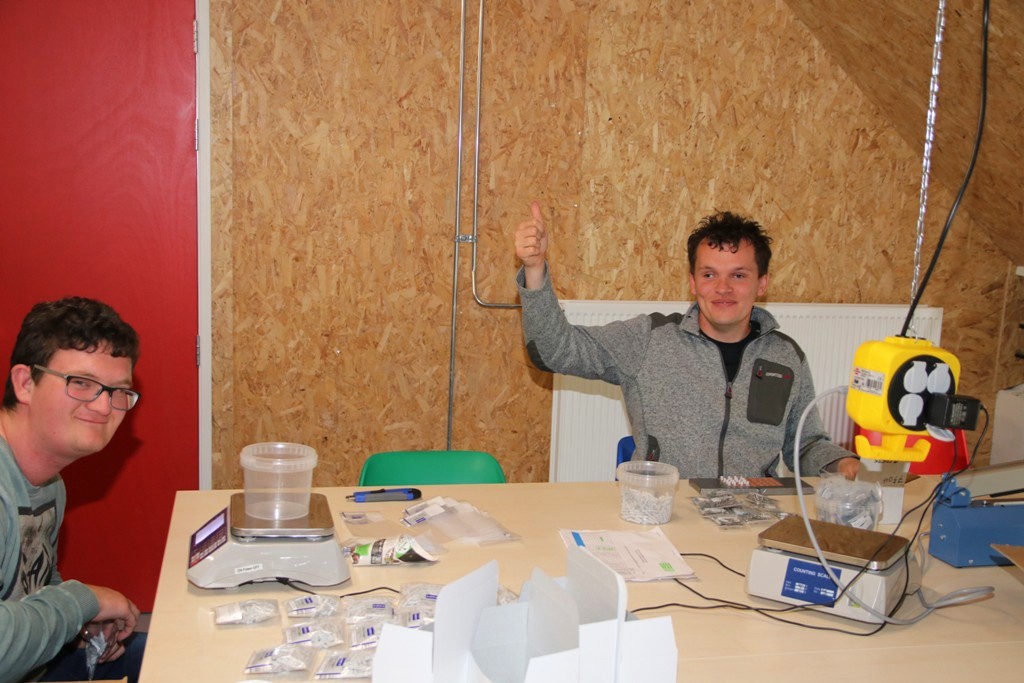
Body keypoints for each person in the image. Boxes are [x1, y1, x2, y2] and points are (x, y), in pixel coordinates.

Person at [514, 202, 859, 480]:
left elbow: (805, 445)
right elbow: (556, 351)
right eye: (709, 274)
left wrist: (842, 464)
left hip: (751, 518)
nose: (723, 288)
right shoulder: (648, 340)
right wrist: (535, 269)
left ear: (762, 283)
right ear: (693, 282)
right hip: (667, 513)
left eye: (739, 275)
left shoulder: (786, 357)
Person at [0, 297, 146, 683]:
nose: (104, 407)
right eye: (81, 383)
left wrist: (79, 626)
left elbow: (33, 587)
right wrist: (84, 601)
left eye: (118, 391)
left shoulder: (50, 484)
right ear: (25, 383)